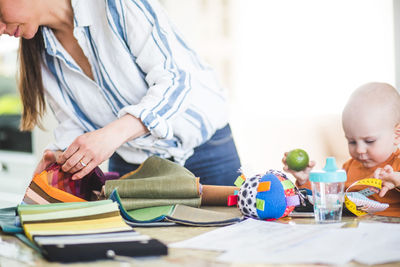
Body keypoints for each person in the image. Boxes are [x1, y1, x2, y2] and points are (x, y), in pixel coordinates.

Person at [0, 0, 241, 186]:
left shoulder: (116, 5)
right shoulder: (39, 54)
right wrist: (62, 155)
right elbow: (74, 123)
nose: (0, 29)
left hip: (205, 149)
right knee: (144, 249)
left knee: (226, 245)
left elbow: (175, 80)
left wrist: (110, 136)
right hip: (133, 164)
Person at [282, 82, 400, 216]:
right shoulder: (349, 168)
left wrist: (397, 179)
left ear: (397, 135)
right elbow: (326, 200)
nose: (360, 150)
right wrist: (305, 180)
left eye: (369, 141)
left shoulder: (397, 164)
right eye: (352, 141)